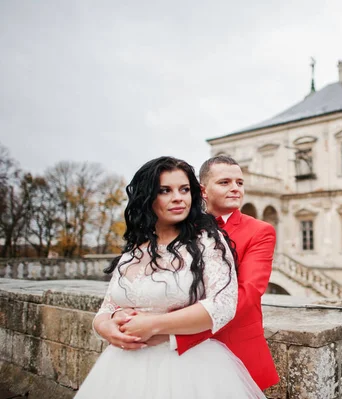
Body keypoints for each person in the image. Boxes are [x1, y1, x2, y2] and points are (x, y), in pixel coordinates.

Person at [75, 156, 265, 398]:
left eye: (184, 189)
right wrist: (105, 326)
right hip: (122, 367)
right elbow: (108, 306)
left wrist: (152, 325)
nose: (178, 197)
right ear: (147, 197)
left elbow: (223, 305)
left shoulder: (208, 241)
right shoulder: (134, 250)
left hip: (188, 367)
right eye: (165, 190)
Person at [173, 155, 279, 390]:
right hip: (178, 354)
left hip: (233, 349)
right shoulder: (181, 229)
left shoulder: (260, 231)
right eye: (225, 182)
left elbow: (248, 293)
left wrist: (178, 334)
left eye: (239, 183)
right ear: (203, 190)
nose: (235, 189)